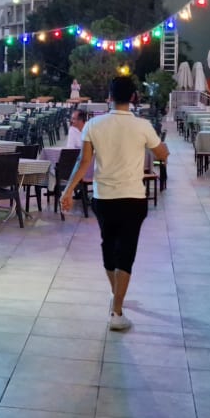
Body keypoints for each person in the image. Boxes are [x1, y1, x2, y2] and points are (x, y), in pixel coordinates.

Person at [61, 76, 168, 331]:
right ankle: (117, 310)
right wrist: (158, 147)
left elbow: (83, 162)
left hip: (104, 198)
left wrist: (68, 190)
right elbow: (162, 155)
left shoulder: (93, 125)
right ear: (132, 97)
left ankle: (116, 296)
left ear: (109, 97)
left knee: (108, 247)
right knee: (126, 251)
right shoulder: (142, 126)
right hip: (133, 198)